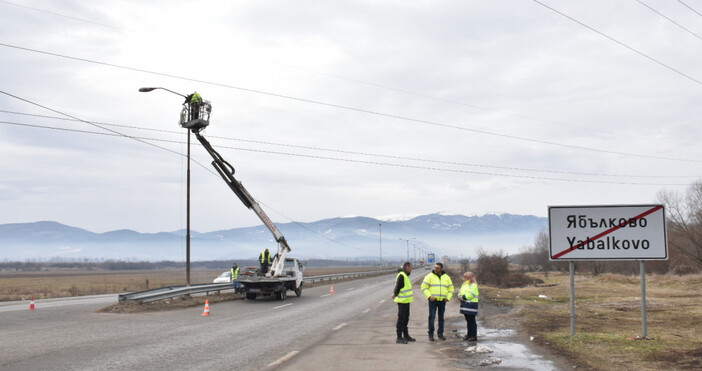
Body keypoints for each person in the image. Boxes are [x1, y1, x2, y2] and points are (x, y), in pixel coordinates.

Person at [421, 262, 454, 341]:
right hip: (433, 300)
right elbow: (423, 287)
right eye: (435, 268)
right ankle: (431, 334)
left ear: (441, 269)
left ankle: (440, 334)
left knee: (441, 318)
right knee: (432, 317)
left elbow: (451, 289)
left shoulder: (446, 277)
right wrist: (429, 296)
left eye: (437, 268)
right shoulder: (429, 276)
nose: (435, 269)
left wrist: (448, 297)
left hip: (442, 300)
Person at [392, 262, 415, 344]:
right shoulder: (402, 275)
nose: (411, 269)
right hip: (402, 301)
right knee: (401, 319)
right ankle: (399, 337)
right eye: (411, 267)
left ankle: (406, 335)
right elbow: (397, 287)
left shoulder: (405, 275)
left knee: (406, 318)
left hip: (406, 301)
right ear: (407, 267)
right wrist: (395, 294)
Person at [458, 271, 479, 341]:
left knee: (471, 320)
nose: (464, 278)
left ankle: (473, 335)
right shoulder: (464, 284)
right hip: (465, 304)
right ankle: (469, 334)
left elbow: (471, 294)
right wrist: (459, 296)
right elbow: (460, 291)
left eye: (465, 277)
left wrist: (462, 297)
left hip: (471, 304)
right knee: (468, 320)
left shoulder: (473, 285)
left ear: (469, 277)